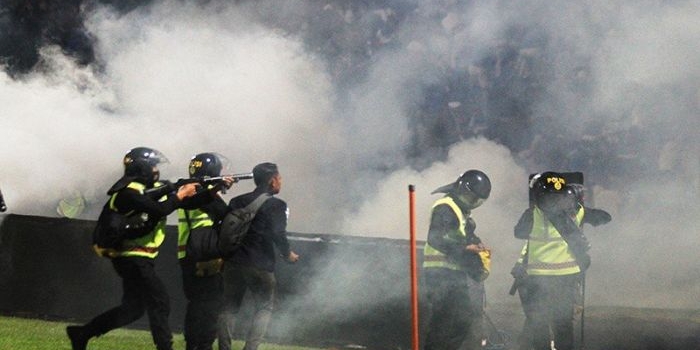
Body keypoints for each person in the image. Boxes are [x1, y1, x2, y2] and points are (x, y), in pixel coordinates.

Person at [66, 147, 198, 350]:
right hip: (133, 257)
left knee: (133, 310)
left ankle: (82, 333)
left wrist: (210, 188)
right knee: (159, 301)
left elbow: (172, 202)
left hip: (136, 257)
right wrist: (180, 195)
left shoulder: (143, 190)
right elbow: (161, 208)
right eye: (153, 165)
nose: (156, 170)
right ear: (143, 167)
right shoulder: (129, 192)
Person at [512, 172, 611, 350]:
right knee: (560, 325)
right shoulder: (571, 214)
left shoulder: (532, 214)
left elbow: (519, 232)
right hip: (562, 278)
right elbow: (603, 217)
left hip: (539, 279)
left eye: (556, 197)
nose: (553, 201)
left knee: (542, 325)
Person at [218, 162, 299, 350]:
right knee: (264, 308)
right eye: (279, 178)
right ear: (272, 181)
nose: (281, 182)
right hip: (260, 264)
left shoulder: (237, 201)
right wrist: (288, 254)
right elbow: (279, 234)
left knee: (229, 308)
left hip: (234, 262)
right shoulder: (277, 205)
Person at [421, 169, 492, 350]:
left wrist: (477, 245)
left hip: (452, 273)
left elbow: (464, 236)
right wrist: (465, 249)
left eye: (477, 201)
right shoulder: (446, 207)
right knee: (443, 323)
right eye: (471, 198)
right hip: (439, 273)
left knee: (462, 321)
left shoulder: (460, 211)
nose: (473, 203)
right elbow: (435, 238)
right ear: (462, 189)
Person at [177, 152, 235, 350]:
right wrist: (219, 188)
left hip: (188, 255)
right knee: (211, 307)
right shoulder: (201, 192)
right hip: (204, 257)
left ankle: (193, 345)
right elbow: (226, 214)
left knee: (196, 305)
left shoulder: (189, 189)